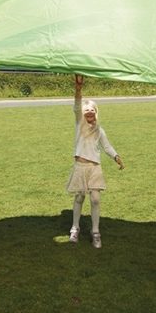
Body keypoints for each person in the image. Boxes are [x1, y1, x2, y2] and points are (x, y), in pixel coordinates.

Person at [66, 74, 124, 248]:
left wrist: (116, 157)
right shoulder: (79, 124)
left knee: (96, 199)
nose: (89, 112)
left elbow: (107, 146)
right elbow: (77, 106)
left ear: (96, 113)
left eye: (93, 110)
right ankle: (75, 228)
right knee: (79, 197)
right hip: (80, 166)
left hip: (95, 167)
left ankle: (95, 231)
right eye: (87, 110)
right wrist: (78, 89)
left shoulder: (99, 130)